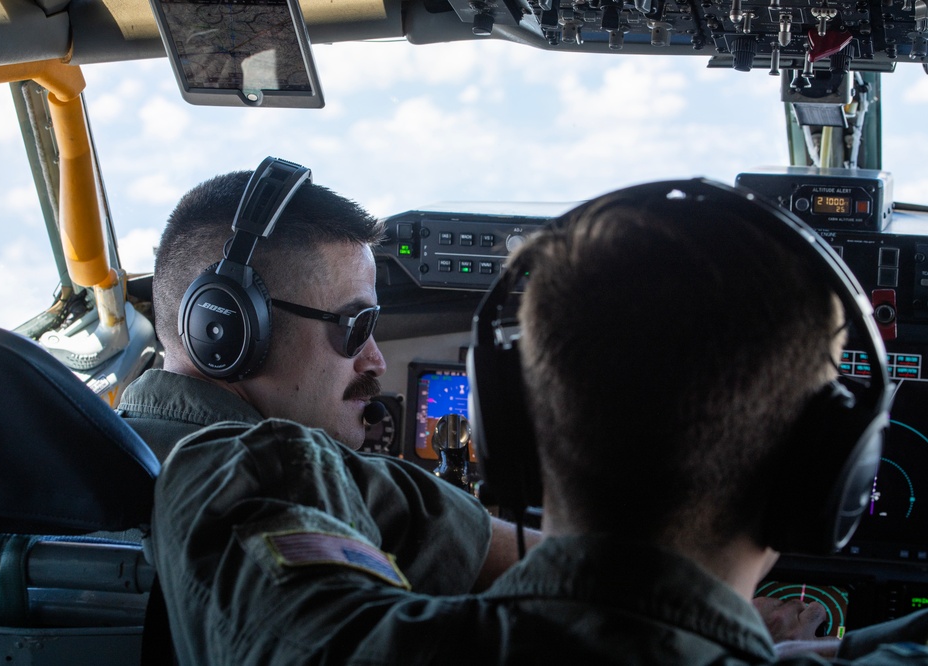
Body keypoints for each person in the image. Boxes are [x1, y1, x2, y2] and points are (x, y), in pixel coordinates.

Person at [151, 178, 928, 663]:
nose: (380, 362)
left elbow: (239, 479)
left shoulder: (341, 637)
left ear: (510, 438)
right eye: (356, 326)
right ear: (827, 475)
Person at [119, 163, 534, 599]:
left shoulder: (97, 455)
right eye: (356, 325)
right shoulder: (304, 489)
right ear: (233, 327)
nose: (375, 360)